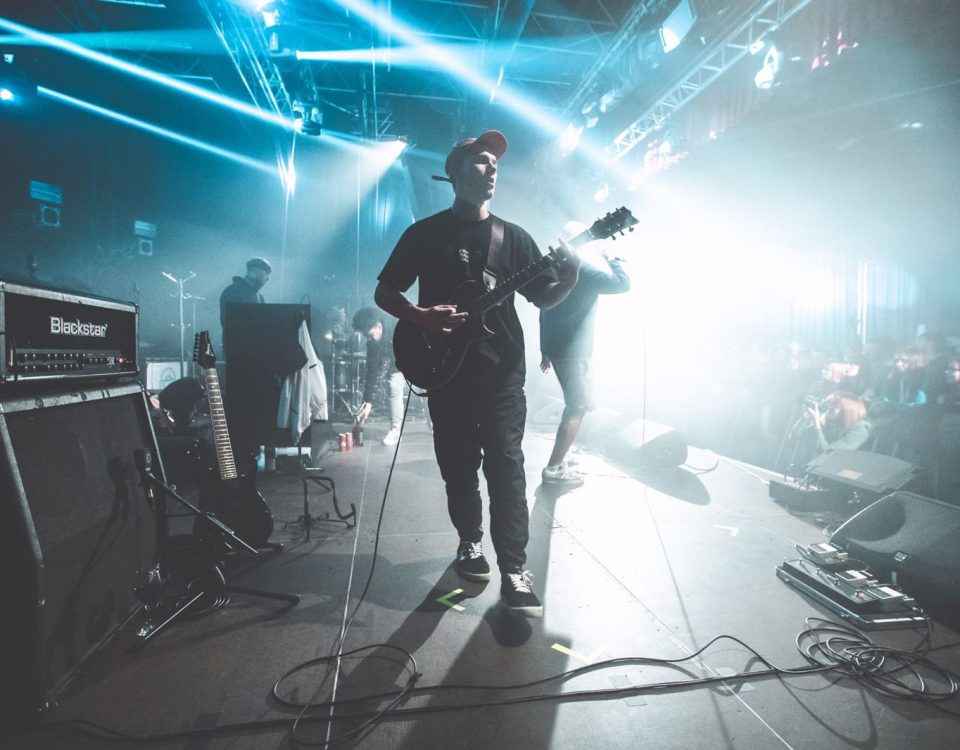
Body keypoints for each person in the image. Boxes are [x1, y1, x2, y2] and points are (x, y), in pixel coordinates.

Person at [374, 130, 579, 617]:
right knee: (458, 467)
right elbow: (385, 292)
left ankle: (514, 568)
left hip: (502, 374)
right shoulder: (424, 234)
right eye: (482, 161)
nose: (492, 171)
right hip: (446, 373)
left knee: (507, 469)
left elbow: (545, 296)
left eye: (496, 165)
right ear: (456, 171)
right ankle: (469, 541)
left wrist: (570, 275)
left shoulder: (514, 238)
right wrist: (421, 317)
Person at [539, 221, 630, 487]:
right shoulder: (584, 270)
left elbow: (544, 310)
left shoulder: (551, 268)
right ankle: (554, 468)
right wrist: (612, 256)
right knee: (577, 406)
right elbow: (622, 284)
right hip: (574, 353)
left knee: (583, 402)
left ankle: (563, 455)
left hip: (559, 349)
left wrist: (545, 349)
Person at [351, 306, 405, 446]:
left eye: (369, 335)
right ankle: (396, 430)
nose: (368, 339)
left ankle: (434, 423)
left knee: (427, 393)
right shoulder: (372, 342)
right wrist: (367, 402)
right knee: (394, 385)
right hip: (397, 363)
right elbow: (372, 372)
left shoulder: (397, 326)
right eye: (366, 336)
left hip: (415, 355)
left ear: (378, 326)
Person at [806, 392, 873, 452]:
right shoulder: (838, 425)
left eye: (835, 404)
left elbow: (828, 453)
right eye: (828, 403)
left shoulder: (860, 431)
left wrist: (817, 426)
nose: (830, 407)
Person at [219, 257, 271, 329]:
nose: (268, 279)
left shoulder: (260, 297)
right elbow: (231, 323)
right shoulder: (233, 292)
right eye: (266, 274)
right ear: (254, 272)